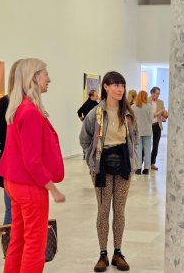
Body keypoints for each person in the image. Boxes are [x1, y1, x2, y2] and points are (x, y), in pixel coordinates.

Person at [0, 58, 66, 273]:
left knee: (18, 238)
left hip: (13, 183)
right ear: (34, 77)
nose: (49, 79)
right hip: (29, 187)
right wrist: (52, 189)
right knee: (35, 243)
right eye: (45, 74)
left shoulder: (18, 108)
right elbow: (32, 161)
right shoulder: (31, 112)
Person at [80, 71, 138, 272]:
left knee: (119, 211)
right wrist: (92, 160)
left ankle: (118, 252)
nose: (120, 89)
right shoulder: (95, 113)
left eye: (122, 85)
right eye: (115, 85)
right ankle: (103, 253)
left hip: (123, 166)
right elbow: (84, 138)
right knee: (103, 210)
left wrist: (131, 157)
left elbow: (134, 137)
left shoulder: (128, 113)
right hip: (101, 167)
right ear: (105, 87)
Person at [0, 59, 21, 225]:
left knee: (13, 212)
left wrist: (2, 145)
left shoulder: (10, 101)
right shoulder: (9, 102)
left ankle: (14, 250)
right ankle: (12, 250)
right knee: (13, 213)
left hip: (15, 164)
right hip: (14, 166)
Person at [132, 90, 153, 175]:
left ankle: (138, 168)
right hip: (147, 131)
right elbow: (151, 119)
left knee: (138, 150)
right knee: (147, 150)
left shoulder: (134, 106)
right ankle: (147, 168)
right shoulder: (149, 106)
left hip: (138, 131)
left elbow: (132, 119)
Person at [148, 86, 168, 170]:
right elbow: (152, 114)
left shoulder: (161, 102)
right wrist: (161, 111)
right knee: (146, 146)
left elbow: (164, 115)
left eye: (159, 94)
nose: (158, 95)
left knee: (155, 146)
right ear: (152, 93)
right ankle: (141, 164)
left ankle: (152, 163)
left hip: (157, 125)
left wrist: (166, 113)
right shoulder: (146, 101)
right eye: (156, 93)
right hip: (148, 125)